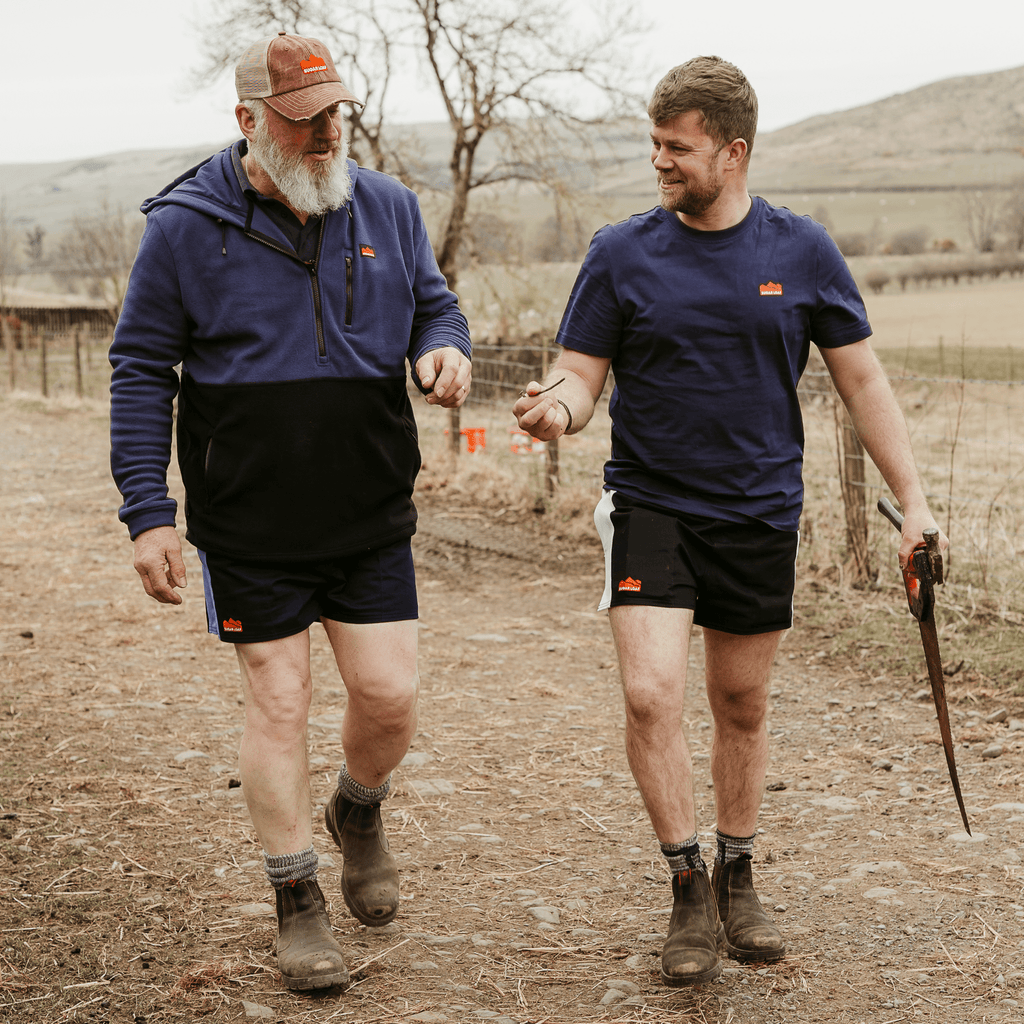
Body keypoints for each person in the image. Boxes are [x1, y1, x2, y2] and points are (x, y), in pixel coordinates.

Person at [513, 56, 946, 987]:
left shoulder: (801, 252)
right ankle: (685, 884)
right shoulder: (621, 252)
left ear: (733, 151)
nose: (660, 163)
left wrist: (913, 502)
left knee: (740, 704)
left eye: (679, 148)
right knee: (649, 694)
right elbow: (580, 373)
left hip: (757, 509)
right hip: (652, 505)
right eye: (655, 145)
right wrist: (557, 406)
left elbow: (860, 379)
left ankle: (738, 870)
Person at [109, 32, 472, 992]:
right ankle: (296, 899)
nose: (323, 140)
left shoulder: (386, 207)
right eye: (302, 123)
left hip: (366, 507)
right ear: (247, 123)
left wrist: (445, 350)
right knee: (279, 698)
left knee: (390, 698)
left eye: (334, 118)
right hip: (249, 517)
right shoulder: (183, 228)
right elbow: (141, 370)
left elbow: (438, 307)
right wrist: (149, 511)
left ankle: (357, 808)